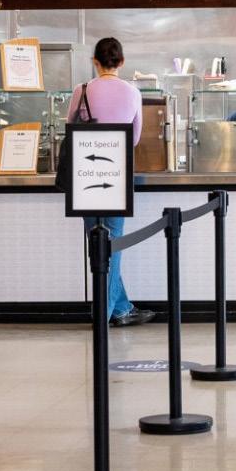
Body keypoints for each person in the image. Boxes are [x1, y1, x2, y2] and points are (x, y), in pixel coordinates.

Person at [67, 37, 152, 327]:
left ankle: (117, 309)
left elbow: (70, 128)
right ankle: (107, 314)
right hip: (117, 172)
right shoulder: (133, 92)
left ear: (95, 61)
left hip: (85, 173)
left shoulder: (82, 90)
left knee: (96, 243)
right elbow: (135, 138)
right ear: (122, 62)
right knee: (113, 244)